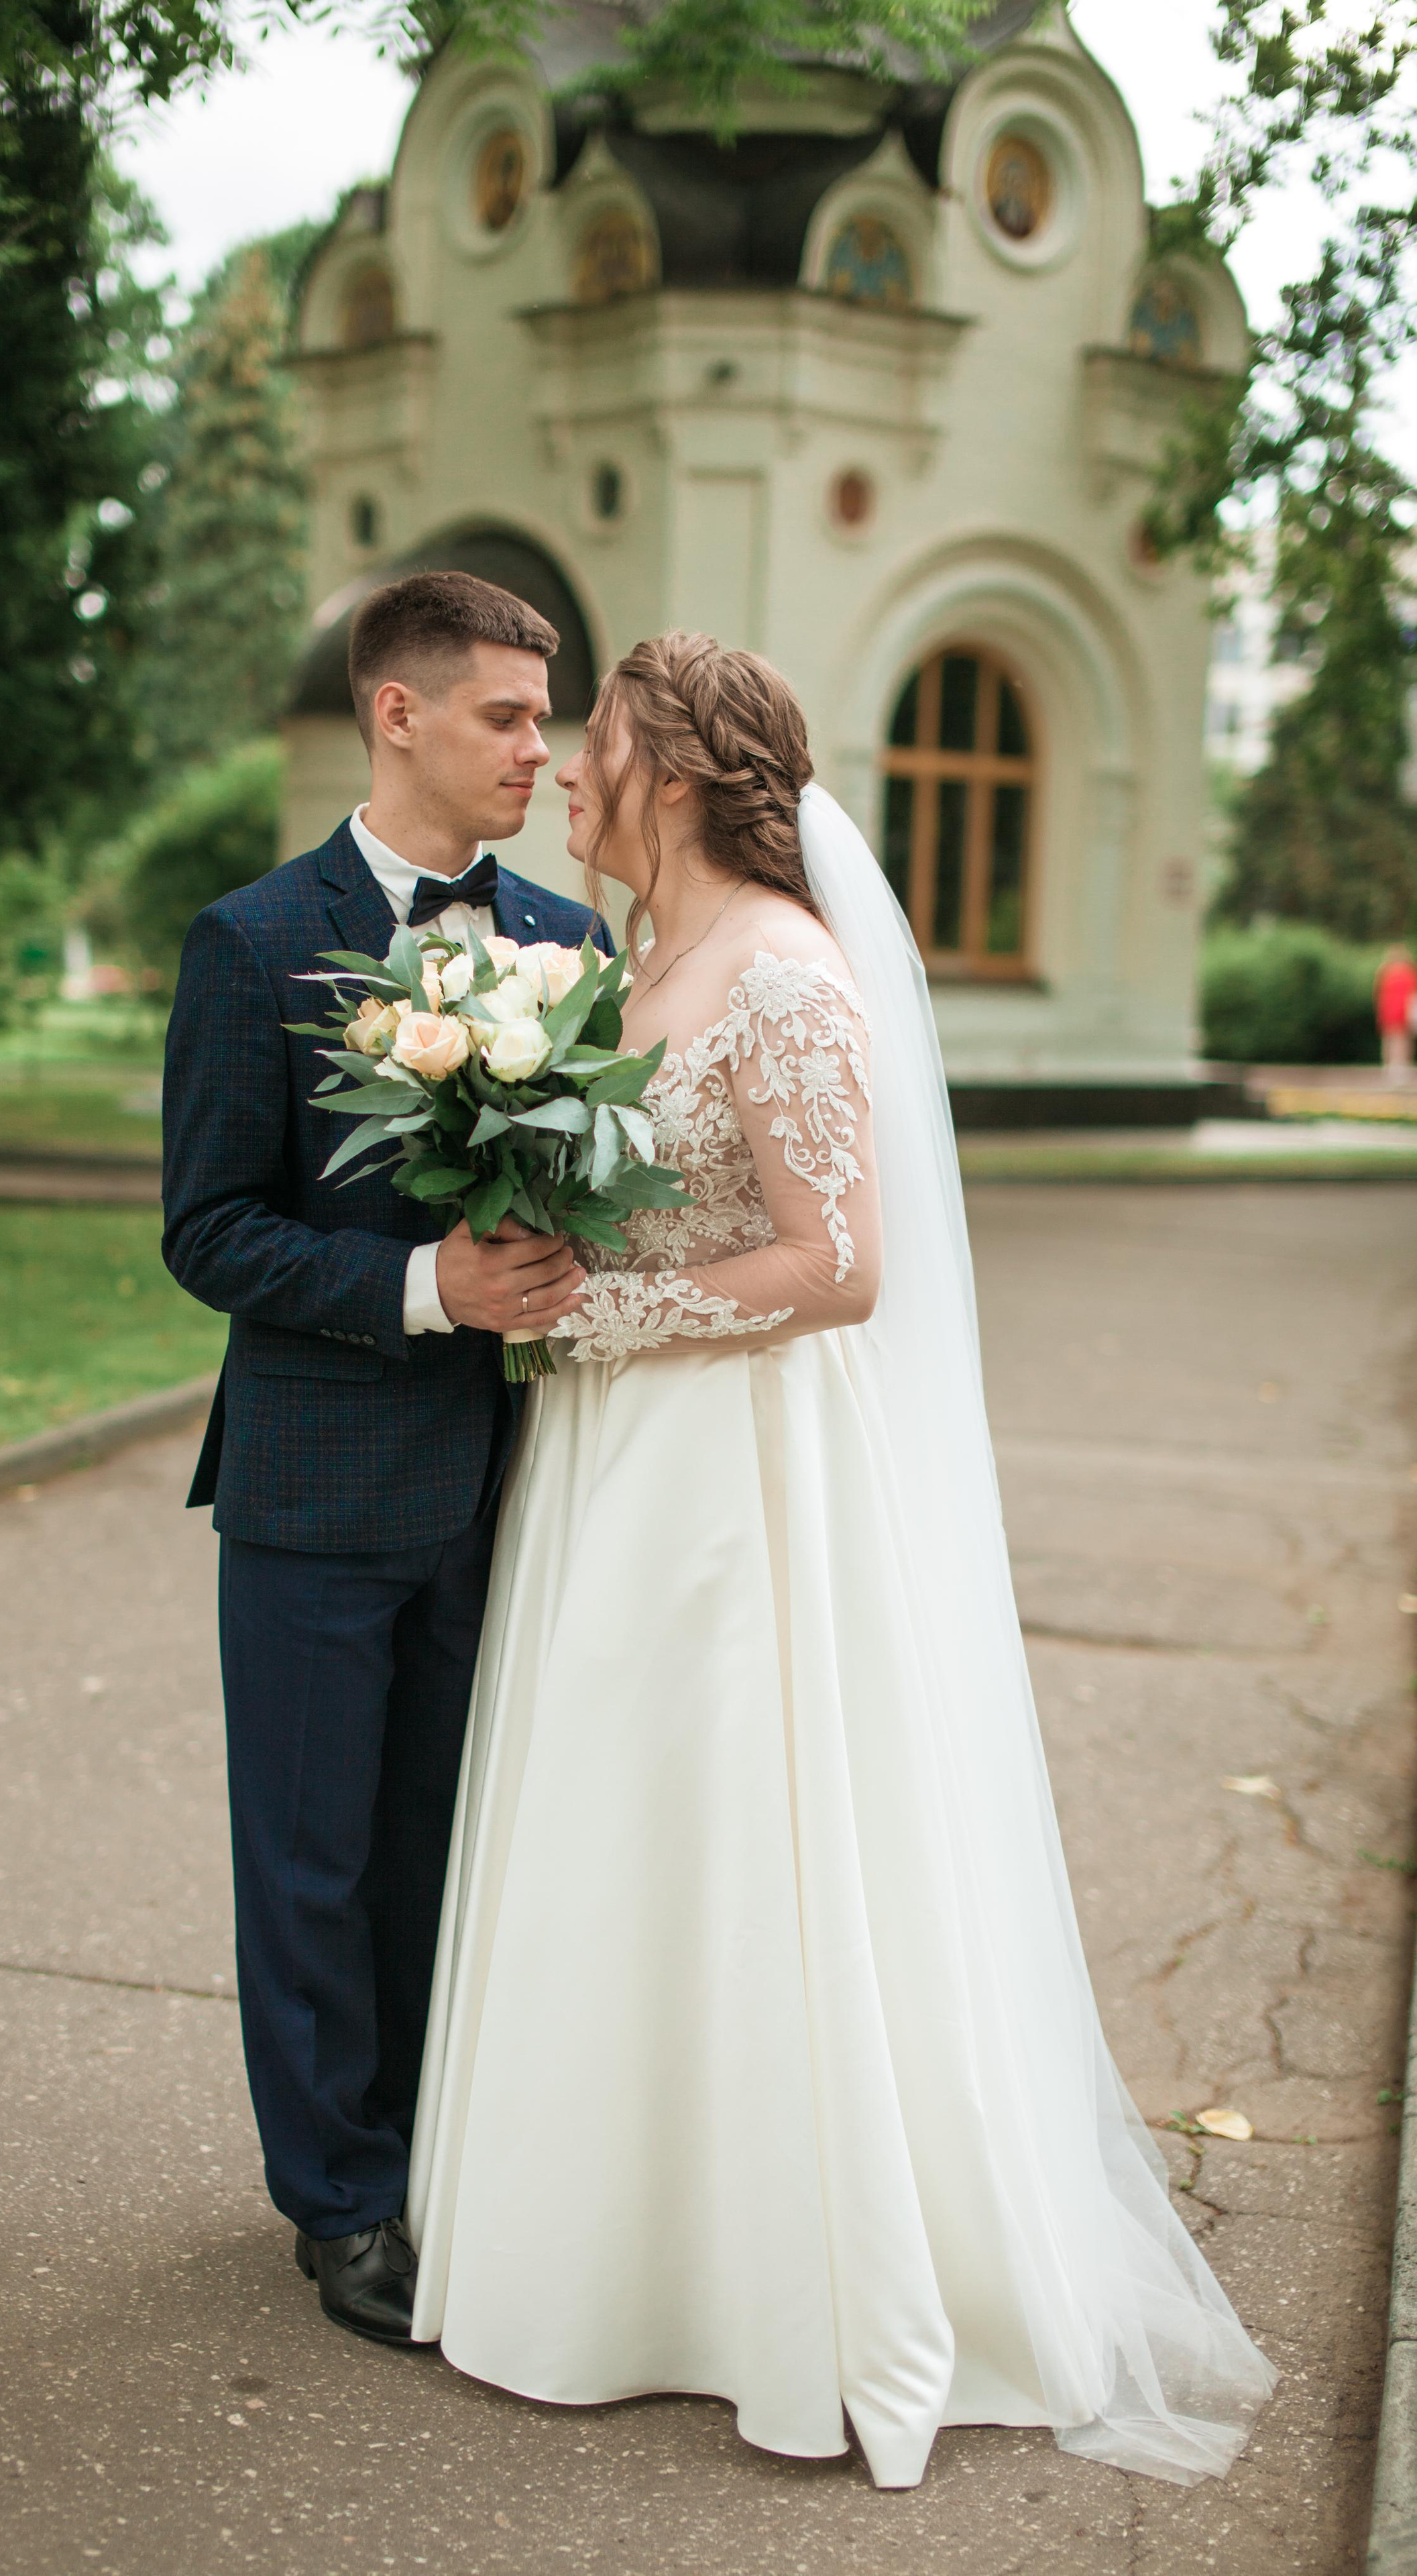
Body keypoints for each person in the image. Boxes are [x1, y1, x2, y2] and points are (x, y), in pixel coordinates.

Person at [406, 633, 1276, 2487]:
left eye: (603, 746)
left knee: (748, 1842)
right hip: (616, 1459)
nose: (570, 774)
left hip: (742, 1475)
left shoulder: (790, 977)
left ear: (685, 774)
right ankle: (609, 2251)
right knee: (621, 1841)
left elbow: (843, 1266)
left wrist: (602, 1310)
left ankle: (780, 2288)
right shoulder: (641, 964)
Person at [160, 570, 600, 2347]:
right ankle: (337, 2202)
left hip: (512, 1493)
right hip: (316, 1489)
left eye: (544, 717)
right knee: (313, 1866)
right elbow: (212, 1232)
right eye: (504, 715)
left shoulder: (567, 938)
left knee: (448, 1848)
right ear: (398, 712)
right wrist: (428, 1285)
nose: (537, 751)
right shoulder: (256, 941)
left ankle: (437, 2157)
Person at [1375, 943, 1416, 1081]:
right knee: (1401, 1042)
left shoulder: (1385, 973)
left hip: (1390, 1014)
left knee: (1391, 1041)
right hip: (1400, 1014)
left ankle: (1391, 1068)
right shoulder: (1408, 974)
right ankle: (1398, 1068)